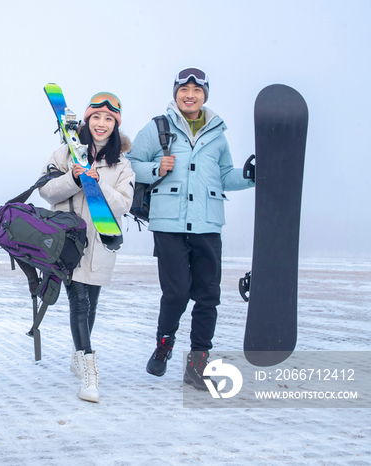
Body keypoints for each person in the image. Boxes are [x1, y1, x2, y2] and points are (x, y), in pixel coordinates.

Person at [126, 68, 255, 390]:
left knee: (208, 296)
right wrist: (156, 167)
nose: (190, 95)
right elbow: (128, 164)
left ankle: (198, 364)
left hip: (208, 224)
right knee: (177, 292)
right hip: (168, 224)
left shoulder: (217, 134)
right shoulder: (156, 128)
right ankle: (164, 345)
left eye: (197, 90)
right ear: (176, 94)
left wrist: (252, 175)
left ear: (205, 95)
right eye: (184, 89)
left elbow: (224, 175)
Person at [38, 92, 134, 403]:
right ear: (87, 120)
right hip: (67, 243)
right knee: (79, 301)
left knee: (89, 305)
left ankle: (77, 355)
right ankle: (90, 370)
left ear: (115, 125)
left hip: (101, 245)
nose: (102, 124)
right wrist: (74, 178)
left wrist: (98, 182)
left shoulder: (122, 166)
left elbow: (122, 204)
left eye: (109, 119)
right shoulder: (65, 154)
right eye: (96, 117)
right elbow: (46, 191)